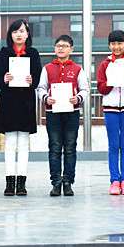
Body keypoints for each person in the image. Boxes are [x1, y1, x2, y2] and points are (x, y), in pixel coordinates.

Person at [0, 19, 42, 196]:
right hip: (8, 102)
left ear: (27, 34)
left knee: (23, 143)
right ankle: (9, 182)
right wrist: (4, 79)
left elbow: (38, 78)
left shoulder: (33, 53)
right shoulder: (4, 53)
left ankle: (21, 183)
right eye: (15, 31)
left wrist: (32, 80)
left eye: (22, 31)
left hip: (26, 102)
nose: (19, 34)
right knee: (9, 143)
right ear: (10, 35)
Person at [36, 35, 89, 197]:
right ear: (54, 48)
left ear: (71, 49)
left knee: (70, 147)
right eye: (58, 45)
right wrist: (46, 98)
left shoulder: (78, 69)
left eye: (65, 46)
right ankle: (56, 182)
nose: (61, 48)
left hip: (72, 113)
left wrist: (77, 98)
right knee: (54, 147)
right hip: (53, 113)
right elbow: (40, 88)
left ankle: (68, 182)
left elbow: (85, 89)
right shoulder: (47, 68)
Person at [96, 30, 124, 195]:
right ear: (109, 45)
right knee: (114, 145)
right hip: (111, 109)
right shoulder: (104, 64)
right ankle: (115, 180)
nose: (117, 47)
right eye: (113, 43)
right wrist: (111, 81)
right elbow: (101, 88)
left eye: (120, 43)